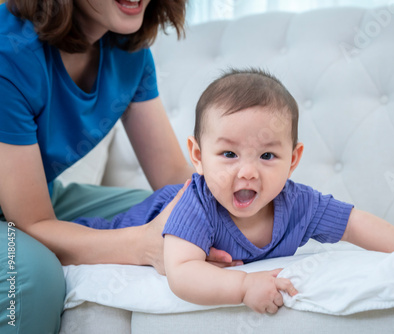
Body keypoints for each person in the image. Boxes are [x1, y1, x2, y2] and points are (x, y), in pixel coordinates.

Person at [74, 68, 394, 314]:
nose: (248, 172)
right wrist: (243, 287)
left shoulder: (299, 204)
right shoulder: (199, 203)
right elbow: (181, 273)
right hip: (138, 222)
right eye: (228, 154)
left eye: (267, 155)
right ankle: (35, 233)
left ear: (293, 159)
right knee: (83, 237)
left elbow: (354, 224)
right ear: (198, 156)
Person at [0, 1, 235, 333]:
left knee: (161, 211)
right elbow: (30, 222)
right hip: (24, 215)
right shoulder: (8, 52)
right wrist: (143, 245)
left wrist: (240, 207)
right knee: (34, 277)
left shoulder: (128, 51)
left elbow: (172, 178)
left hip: (38, 199)